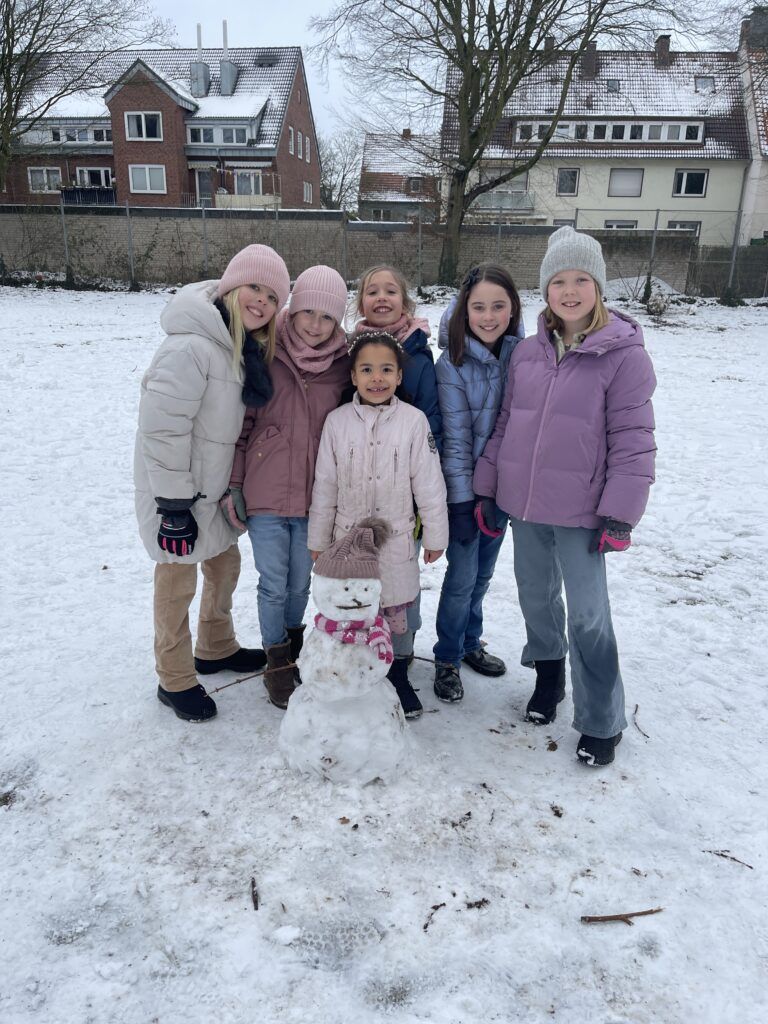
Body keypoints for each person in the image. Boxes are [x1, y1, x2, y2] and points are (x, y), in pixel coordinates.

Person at [473, 227, 656, 766]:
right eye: (558, 281)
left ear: (598, 286)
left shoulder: (623, 356)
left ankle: (601, 718)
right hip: (525, 505)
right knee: (535, 597)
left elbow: (633, 437)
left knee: (589, 615)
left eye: (581, 280)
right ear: (545, 289)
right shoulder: (527, 353)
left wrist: (620, 513)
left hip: (584, 511)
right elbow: (507, 422)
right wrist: (489, 489)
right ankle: (549, 677)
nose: (569, 291)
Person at [134, 243, 290, 722]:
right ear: (231, 286)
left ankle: (215, 645)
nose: (262, 301)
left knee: (224, 565)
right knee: (176, 581)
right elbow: (162, 429)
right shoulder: (191, 345)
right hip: (178, 493)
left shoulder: (238, 347)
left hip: (215, 489)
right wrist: (172, 504)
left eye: (272, 296)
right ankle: (174, 676)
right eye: (254, 287)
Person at [225, 266, 351, 710]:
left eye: (327, 317)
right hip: (265, 495)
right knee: (273, 584)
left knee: (301, 584)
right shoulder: (265, 353)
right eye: (308, 312)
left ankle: (295, 647)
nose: (315, 325)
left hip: (316, 499)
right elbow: (242, 427)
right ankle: (276, 661)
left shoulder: (344, 366)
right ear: (292, 310)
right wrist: (235, 483)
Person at [308, 332, 448, 719]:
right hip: (348, 544)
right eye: (367, 370)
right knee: (355, 608)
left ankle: (398, 674)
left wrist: (436, 534)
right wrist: (319, 538)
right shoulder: (337, 422)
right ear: (353, 376)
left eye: (386, 370)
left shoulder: (413, 422)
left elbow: (429, 484)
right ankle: (355, 675)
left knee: (397, 610)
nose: (377, 378)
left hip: (396, 542)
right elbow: (325, 485)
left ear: (399, 376)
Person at [350, 265, 443, 699]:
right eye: (372, 291)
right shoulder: (348, 351)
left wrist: (425, 512)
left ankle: (400, 666)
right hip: (358, 499)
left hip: (401, 499)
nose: (382, 297)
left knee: (402, 590)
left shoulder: (418, 356)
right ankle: (361, 660)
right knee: (359, 589)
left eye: (391, 291)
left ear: (405, 303)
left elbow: (429, 427)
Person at [432, 263, 524, 703]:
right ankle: (447, 656)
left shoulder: (522, 357)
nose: (488, 316)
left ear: (513, 309)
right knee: (462, 577)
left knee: (484, 574)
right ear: (464, 311)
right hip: (466, 494)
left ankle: (471, 642)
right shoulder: (451, 362)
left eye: (498, 306)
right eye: (479, 307)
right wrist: (462, 502)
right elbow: (456, 439)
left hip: (503, 492)